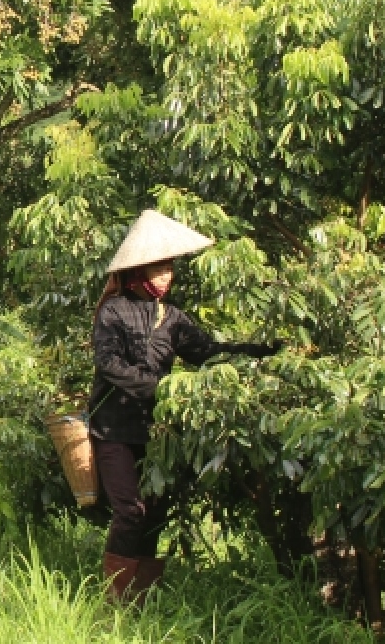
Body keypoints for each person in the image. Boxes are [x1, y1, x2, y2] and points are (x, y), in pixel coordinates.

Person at [88, 210, 280, 604]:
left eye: (170, 270)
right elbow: (108, 364)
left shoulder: (172, 317)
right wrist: (160, 388)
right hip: (114, 429)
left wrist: (256, 352)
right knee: (130, 511)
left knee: (156, 511)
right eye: (160, 270)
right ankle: (114, 600)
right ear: (140, 271)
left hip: (157, 431)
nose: (167, 277)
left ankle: (141, 599)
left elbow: (207, 353)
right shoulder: (113, 310)